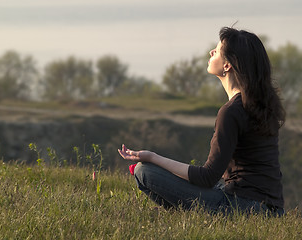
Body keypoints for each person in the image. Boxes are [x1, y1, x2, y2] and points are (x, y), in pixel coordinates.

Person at [118, 27, 286, 216]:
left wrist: (152, 157)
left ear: (227, 65)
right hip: (272, 210)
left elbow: (207, 177)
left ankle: (185, 212)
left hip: (243, 209)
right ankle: (185, 213)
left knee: (144, 172)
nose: (211, 52)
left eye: (217, 50)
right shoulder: (261, 105)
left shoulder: (231, 112)